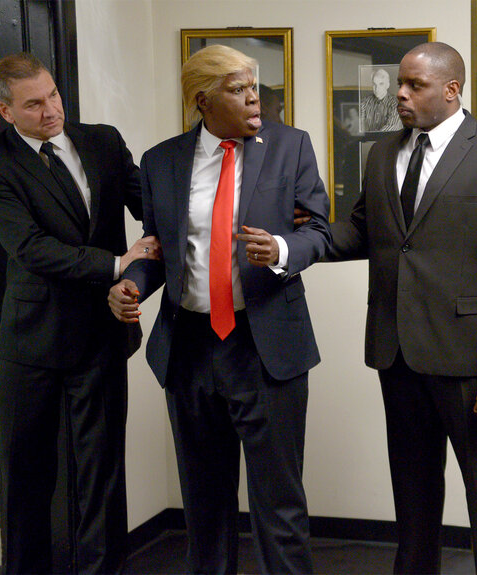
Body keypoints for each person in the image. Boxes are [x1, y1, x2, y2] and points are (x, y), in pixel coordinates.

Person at [107, 45, 330, 575]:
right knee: (204, 507)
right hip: (189, 350)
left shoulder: (289, 146)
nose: (254, 96)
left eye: (254, 85)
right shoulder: (162, 161)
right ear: (203, 100)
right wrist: (131, 284)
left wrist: (281, 250)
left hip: (266, 346)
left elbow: (317, 232)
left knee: (279, 507)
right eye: (237, 88)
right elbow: (158, 247)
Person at [327, 42, 477, 574]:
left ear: (451, 90)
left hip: (469, 356)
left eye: (414, 85)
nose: (399, 93)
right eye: (399, 83)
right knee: (413, 486)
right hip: (396, 350)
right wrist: (291, 246)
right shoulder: (382, 154)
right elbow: (362, 231)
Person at [0, 52, 159, 574]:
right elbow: (28, 247)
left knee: (101, 475)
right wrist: (118, 262)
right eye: (34, 104)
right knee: (26, 475)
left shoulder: (102, 141)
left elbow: (156, 206)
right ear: (6, 112)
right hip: (31, 342)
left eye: (53, 95)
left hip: (101, 335)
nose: (51, 110)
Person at [359, 67, 402, 132]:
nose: (377, 88)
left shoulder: (396, 104)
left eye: (381, 84)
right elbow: (358, 126)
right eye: (374, 84)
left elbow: (390, 128)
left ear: (387, 85)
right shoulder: (364, 102)